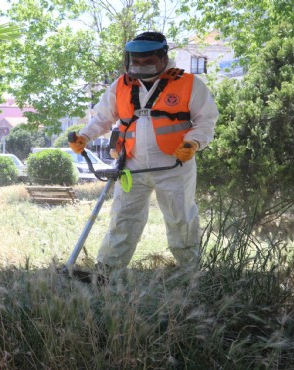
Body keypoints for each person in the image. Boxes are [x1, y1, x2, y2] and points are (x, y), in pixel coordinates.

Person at [69, 31, 219, 271]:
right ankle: (107, 271)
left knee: (181, 219)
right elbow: (103, 118)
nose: (140, 67)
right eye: (135, 62)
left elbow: (206, 120)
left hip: (174, 165)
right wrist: (85, 136)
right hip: (132, 166)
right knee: (123, 218)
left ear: (162, 57)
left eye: (147, 62)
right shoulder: (121, 85)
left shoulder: (189, 84)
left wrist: (194, 143)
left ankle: (190, 272)